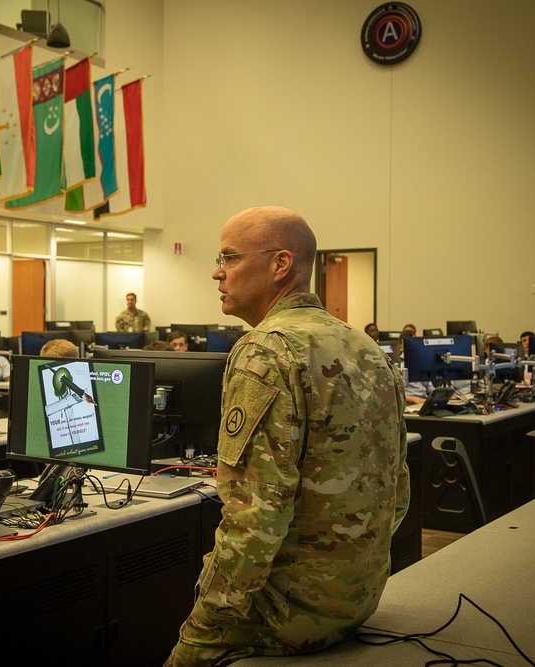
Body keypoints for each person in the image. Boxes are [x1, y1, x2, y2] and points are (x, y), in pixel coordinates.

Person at [165, 206, 408, 666]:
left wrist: (195, 641)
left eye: (230, 257)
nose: (216, 272)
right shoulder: (366, 348)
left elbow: (253, 521)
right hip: (357, 603)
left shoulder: (266, 351)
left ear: (280, 265)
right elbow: (398, 491)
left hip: (285, 619)